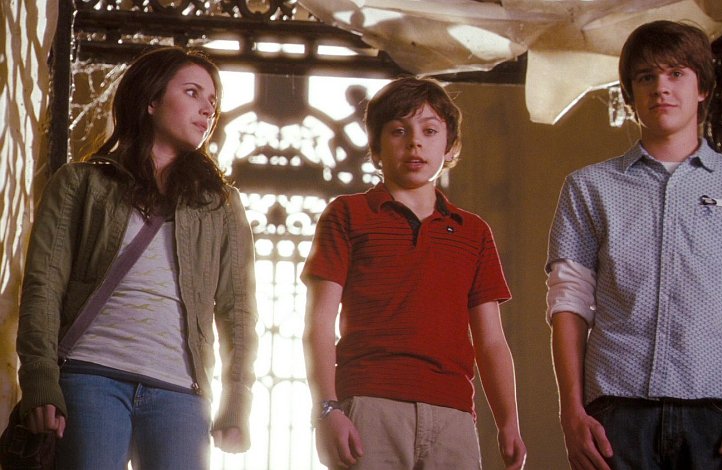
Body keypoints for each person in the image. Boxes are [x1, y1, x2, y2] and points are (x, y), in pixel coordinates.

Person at [547, 20, 722, 470]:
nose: (661, 87)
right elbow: (569, 301)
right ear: (630, 95)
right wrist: (571, 412)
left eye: (676, 73)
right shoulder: (588, 188)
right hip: (617, 412)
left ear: (703, 88)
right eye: (646, 76)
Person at [16, 46, 258, 469]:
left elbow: (238, 311)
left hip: (181, 391)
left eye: (212, 101)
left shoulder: (220, 205)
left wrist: (237, 400)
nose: (208, 109)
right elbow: (44, 286)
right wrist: (39, 378)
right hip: (90, 376)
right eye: (192, 92)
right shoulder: (80, 184)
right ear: (151, 100)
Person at [302, 77, 526, 470]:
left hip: (453, 415)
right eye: (399, 131)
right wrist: (327, 408)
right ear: (376, 148)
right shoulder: (347, 214)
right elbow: (319, 322)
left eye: (429, 131)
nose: (415, 143)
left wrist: (509, 422)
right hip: (369, 404)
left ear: (450, 146)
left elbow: (491, 340)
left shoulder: (474, 232)